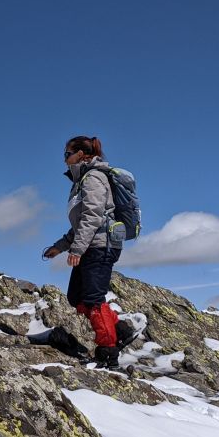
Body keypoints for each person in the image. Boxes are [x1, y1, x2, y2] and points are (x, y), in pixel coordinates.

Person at [43, 135, 133, 368]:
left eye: (67, 154)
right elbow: (80, 223)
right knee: (76, 297)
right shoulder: (81, 180)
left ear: (81, 154)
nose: (64, 159)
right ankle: (119, 330)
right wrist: (59, 247)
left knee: (93, 299)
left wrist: (77, 249)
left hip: (101, 245)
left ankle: (108, 352)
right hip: (92, 244)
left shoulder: (93, 177)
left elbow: (93, 217)